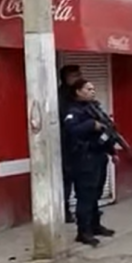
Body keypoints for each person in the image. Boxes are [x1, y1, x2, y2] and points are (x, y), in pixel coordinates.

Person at [62, 79, 116, 246]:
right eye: (88, 89)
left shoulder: (94, 108)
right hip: (84, 159)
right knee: (85, 196)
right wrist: (91, 125)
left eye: (93, 88)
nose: (93, 91)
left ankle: (95, 225)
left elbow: (107, 129)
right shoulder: (73, 111)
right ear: (78, 91)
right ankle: (83, 231)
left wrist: (112, 151)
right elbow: (72, 130)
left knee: (96, 194)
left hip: (99, 156)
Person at [58, 65, 82, 223]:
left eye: (78, 75)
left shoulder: (79, 94)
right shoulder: (62, 96)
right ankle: (65, 209)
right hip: (66, 143)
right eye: (74, 76)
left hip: (78, 143)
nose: (77, 78)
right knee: (67, 178)